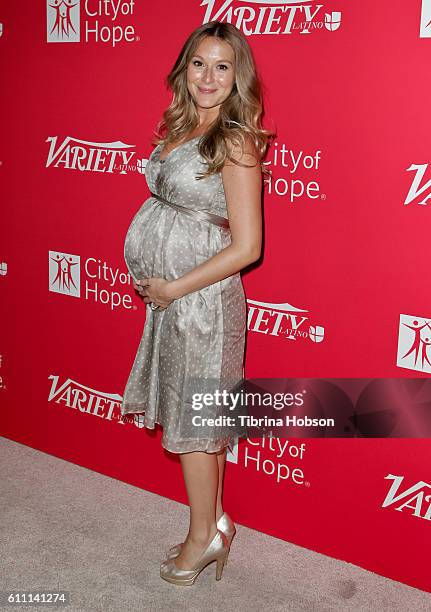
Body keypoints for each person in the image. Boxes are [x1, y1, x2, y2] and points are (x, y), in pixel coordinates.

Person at [121, 20, 272, 586]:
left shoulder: (234, 139)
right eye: (198, 64)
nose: (208, 77)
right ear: (184, 69)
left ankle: (201, 537)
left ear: (239, 78)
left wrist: (173, 287)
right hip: (172, 303)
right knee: (198, 423)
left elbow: (247, 246)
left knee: (193, 426)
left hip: (201, 305)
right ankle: (216, 524)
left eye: (222, 67)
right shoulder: (182, 126)